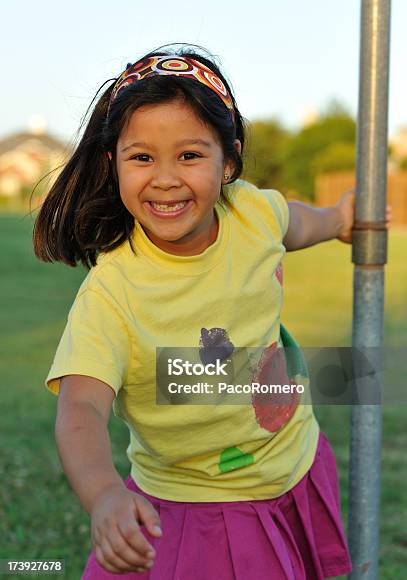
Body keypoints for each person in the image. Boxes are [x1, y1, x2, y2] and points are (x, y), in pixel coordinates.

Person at [34, 44, 390, 579]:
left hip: (292, 458)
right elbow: (80, 407)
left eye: (190, 155)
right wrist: (104, 493)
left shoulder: (250, 210)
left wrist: (337, 218)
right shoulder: (113, 292)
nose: (166, 178)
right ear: (114, 164)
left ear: (229, 161)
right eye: (142, 157)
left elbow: (292, 223)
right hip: (195, 502)